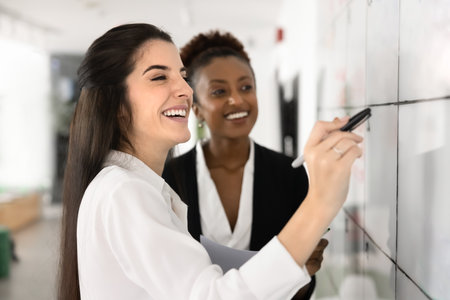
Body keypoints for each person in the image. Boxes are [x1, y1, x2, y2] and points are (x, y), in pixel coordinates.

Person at [58, 23, 363, 300]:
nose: (185, 90)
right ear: (117, 104)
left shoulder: (130, 187)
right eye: (159, 76)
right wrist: (322, 200)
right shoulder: (124, 193)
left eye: (183, 76)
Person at [162, 31, 323, 298]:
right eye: (219, 91)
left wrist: (304, 269)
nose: (236, 100)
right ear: (197, 109)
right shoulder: (171, 177)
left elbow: (303, 291)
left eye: (245, 87)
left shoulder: (289, 173)